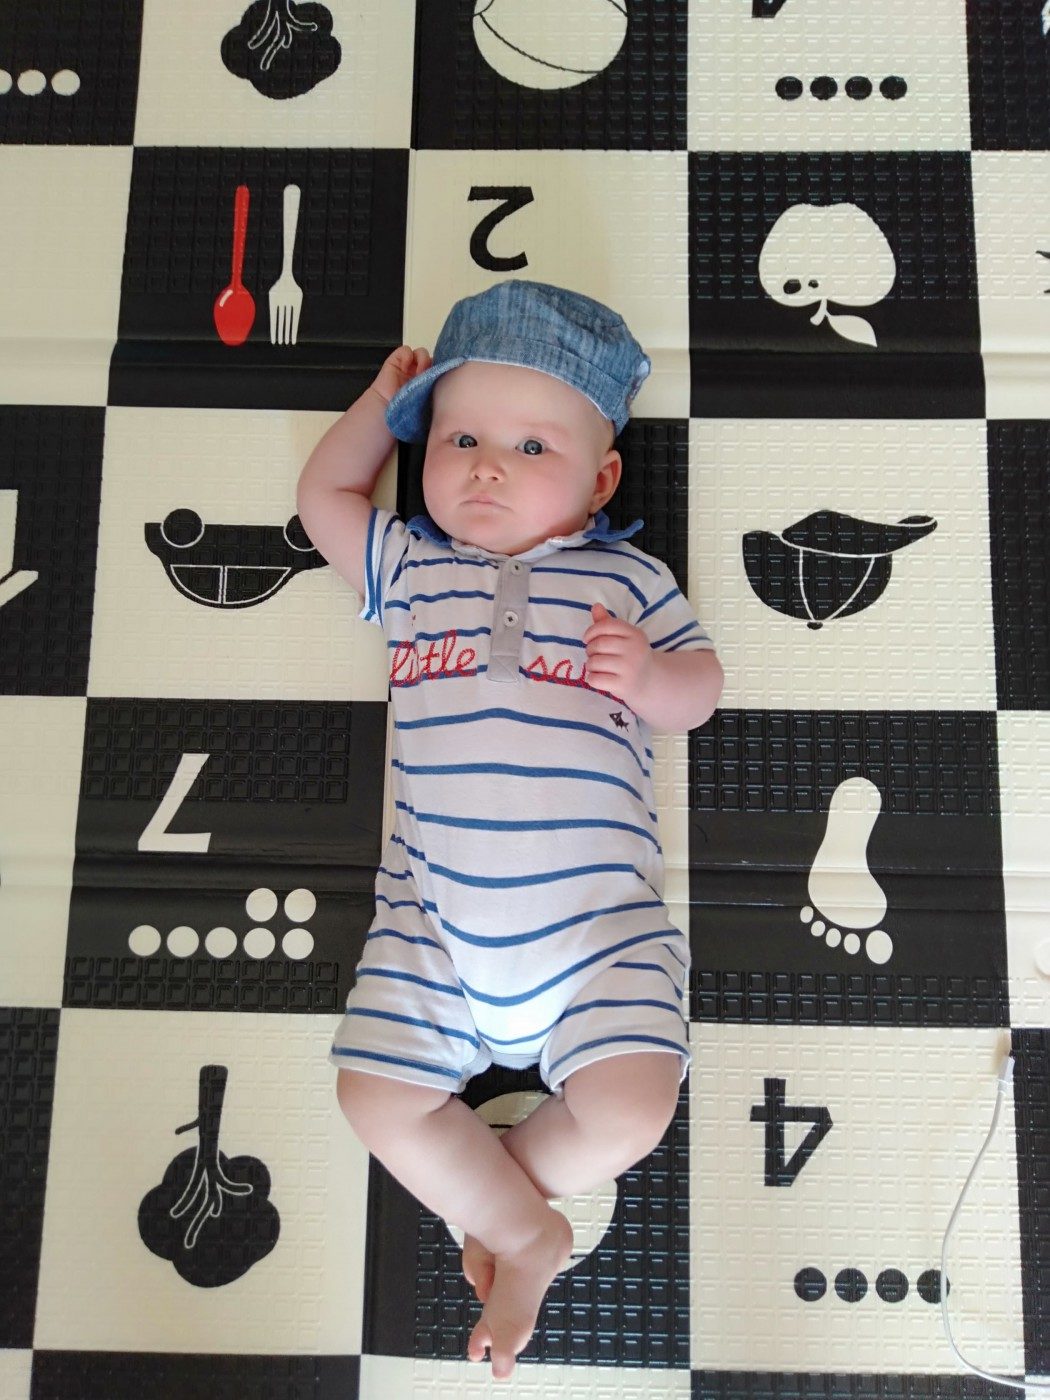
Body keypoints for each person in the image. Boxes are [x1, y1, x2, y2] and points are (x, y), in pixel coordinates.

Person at [296, 279, 724, 1381]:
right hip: (432, 927)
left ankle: (505, 1207)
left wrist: (651, 676)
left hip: (600, 932)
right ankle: (527, 1231)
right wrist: (378, 406)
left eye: (531, 446)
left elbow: (703, 690)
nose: (486, 467)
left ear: (601, 478)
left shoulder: (628, 579)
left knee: (633, 1108)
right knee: (371, 1092)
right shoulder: (412, 567)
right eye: (459, 439)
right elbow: (325, 496)